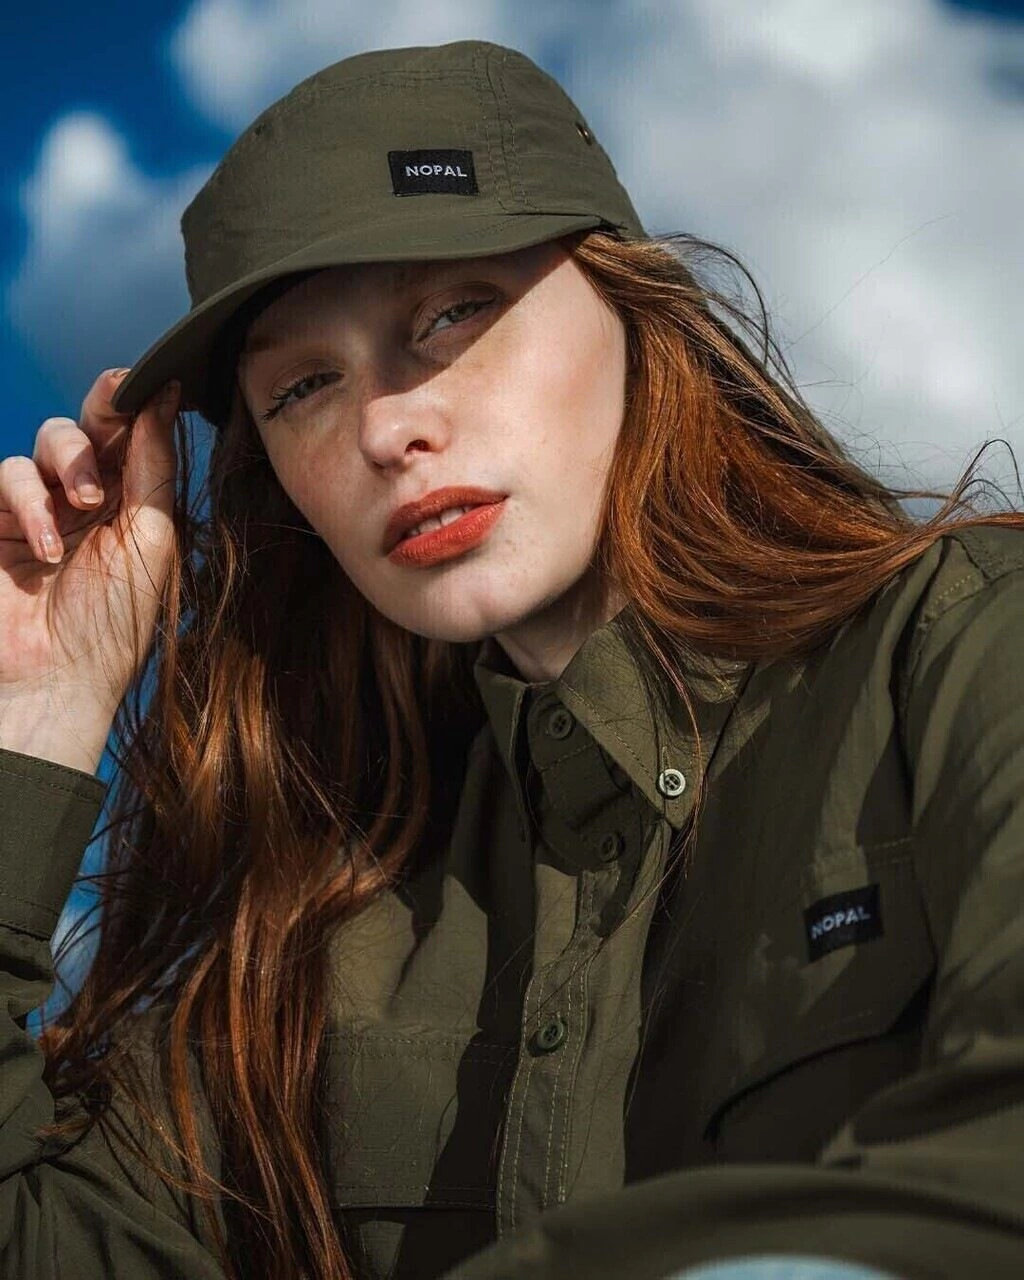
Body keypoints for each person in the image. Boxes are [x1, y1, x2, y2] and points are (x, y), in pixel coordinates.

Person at [0, 38, 1022, 1280]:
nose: (388, 426)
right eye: (304, 386)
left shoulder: (964, 647)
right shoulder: (308, 951)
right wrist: (35, 715)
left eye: (454, 311)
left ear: (635, 311)